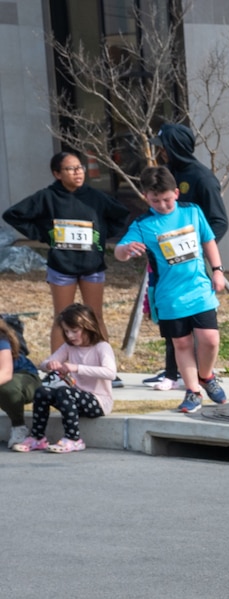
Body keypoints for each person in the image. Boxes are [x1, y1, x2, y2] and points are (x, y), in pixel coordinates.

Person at [114, 166, 227, 416]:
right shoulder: (143, 225)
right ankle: (192, 391)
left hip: (199, 289)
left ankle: (206, 376)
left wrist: (217, 269)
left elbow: (208, 240)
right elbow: (119, 251)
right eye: (156, 200)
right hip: (168, 297)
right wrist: (126, 250)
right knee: (182, 343)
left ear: (176, 193)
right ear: (146, 198)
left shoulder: (192, 212)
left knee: (210, 339)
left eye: (167, 199)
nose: (163, 205)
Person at [3, 149, 130, 352]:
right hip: (62, 266)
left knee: (95, 315)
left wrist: (102, 234)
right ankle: (57, 369)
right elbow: (13, 215)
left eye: (80, 167)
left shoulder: (95, 197)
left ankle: (105, 367)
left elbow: (121, 215)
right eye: (70, 169)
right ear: (57, 174)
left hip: (92, 265)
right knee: (62, 317)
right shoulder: (47, 197)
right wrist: (44, 234)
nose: (78, 172)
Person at [143, 124, 229, 394]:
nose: (159, 151)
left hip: (194, 264)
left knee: (203, 330)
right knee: (173, 320)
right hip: (165, 264)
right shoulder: (168, 175)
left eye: (163, 146)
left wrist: (201, 252)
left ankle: (201, 375)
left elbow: (219, 221)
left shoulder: (202, 178)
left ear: (174, 147)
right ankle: (173, 372)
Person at [16, 303, 115, 453]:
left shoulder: (102, 347)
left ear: (88, 326)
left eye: (74, 331)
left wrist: (76, 368)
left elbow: (110, 373)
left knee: (64, 391)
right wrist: (51, 364)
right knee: (42, 391)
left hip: (99, 401)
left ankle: (74, 439)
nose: (70, 336)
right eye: (66, 331)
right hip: (73, 400)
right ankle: (37, 438)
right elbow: (43, 364)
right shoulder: (70, 347)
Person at [0, 318, 36, 436]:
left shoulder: (1, 338)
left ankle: (19, 427)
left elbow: (5, 373)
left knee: (6, 388)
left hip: (25, 377)